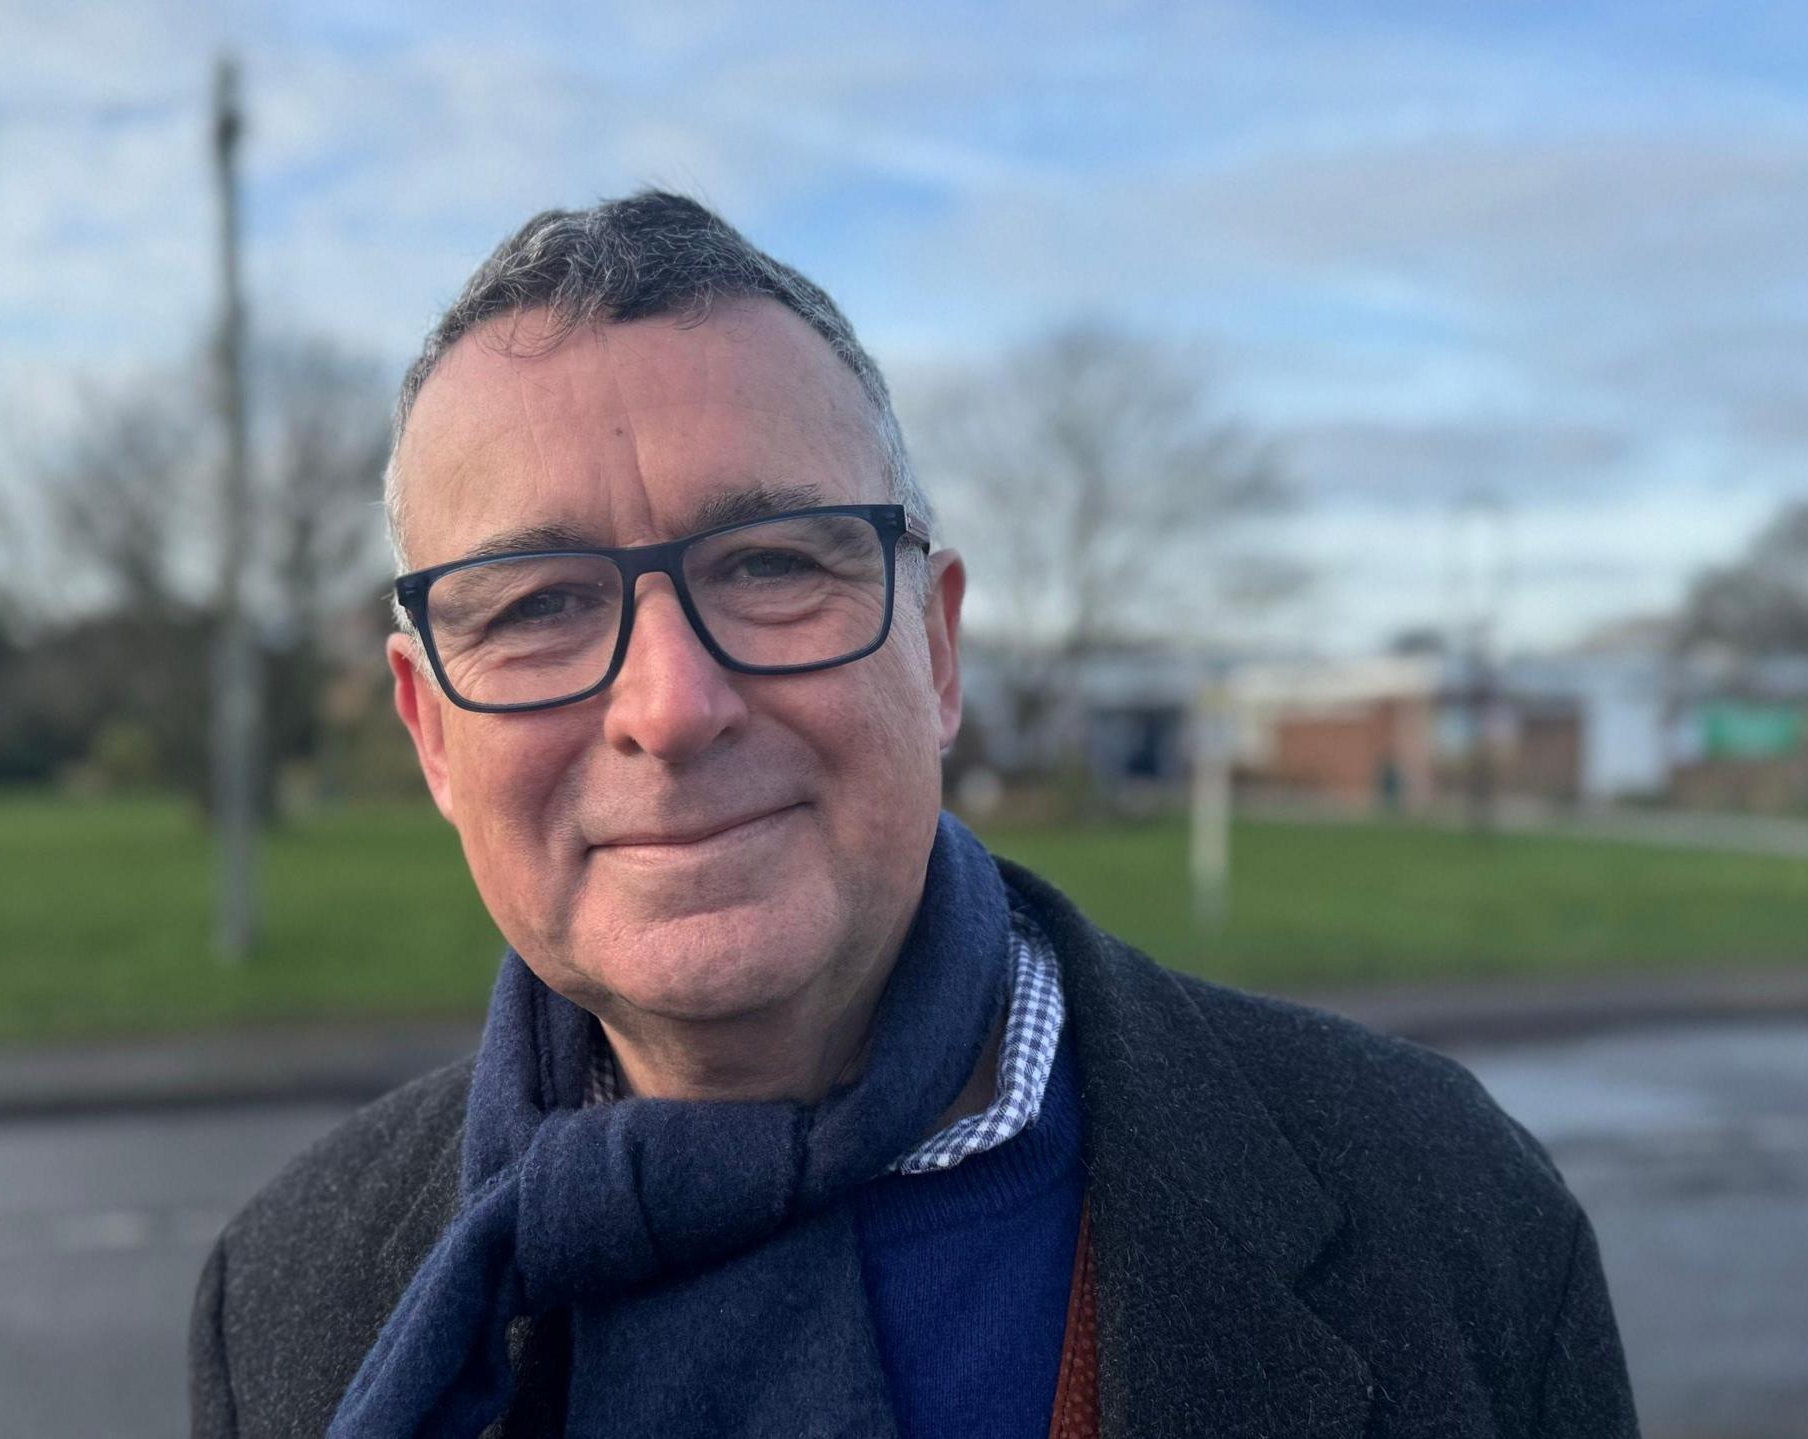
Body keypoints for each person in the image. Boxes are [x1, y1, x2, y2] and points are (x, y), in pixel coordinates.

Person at [188, 191, 1637, 1439]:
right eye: (538, 607)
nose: (673, 705)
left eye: (769, 567)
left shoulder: (1445, 1212)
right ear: (433, 731)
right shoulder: (283, 1299)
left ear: (934, 651)